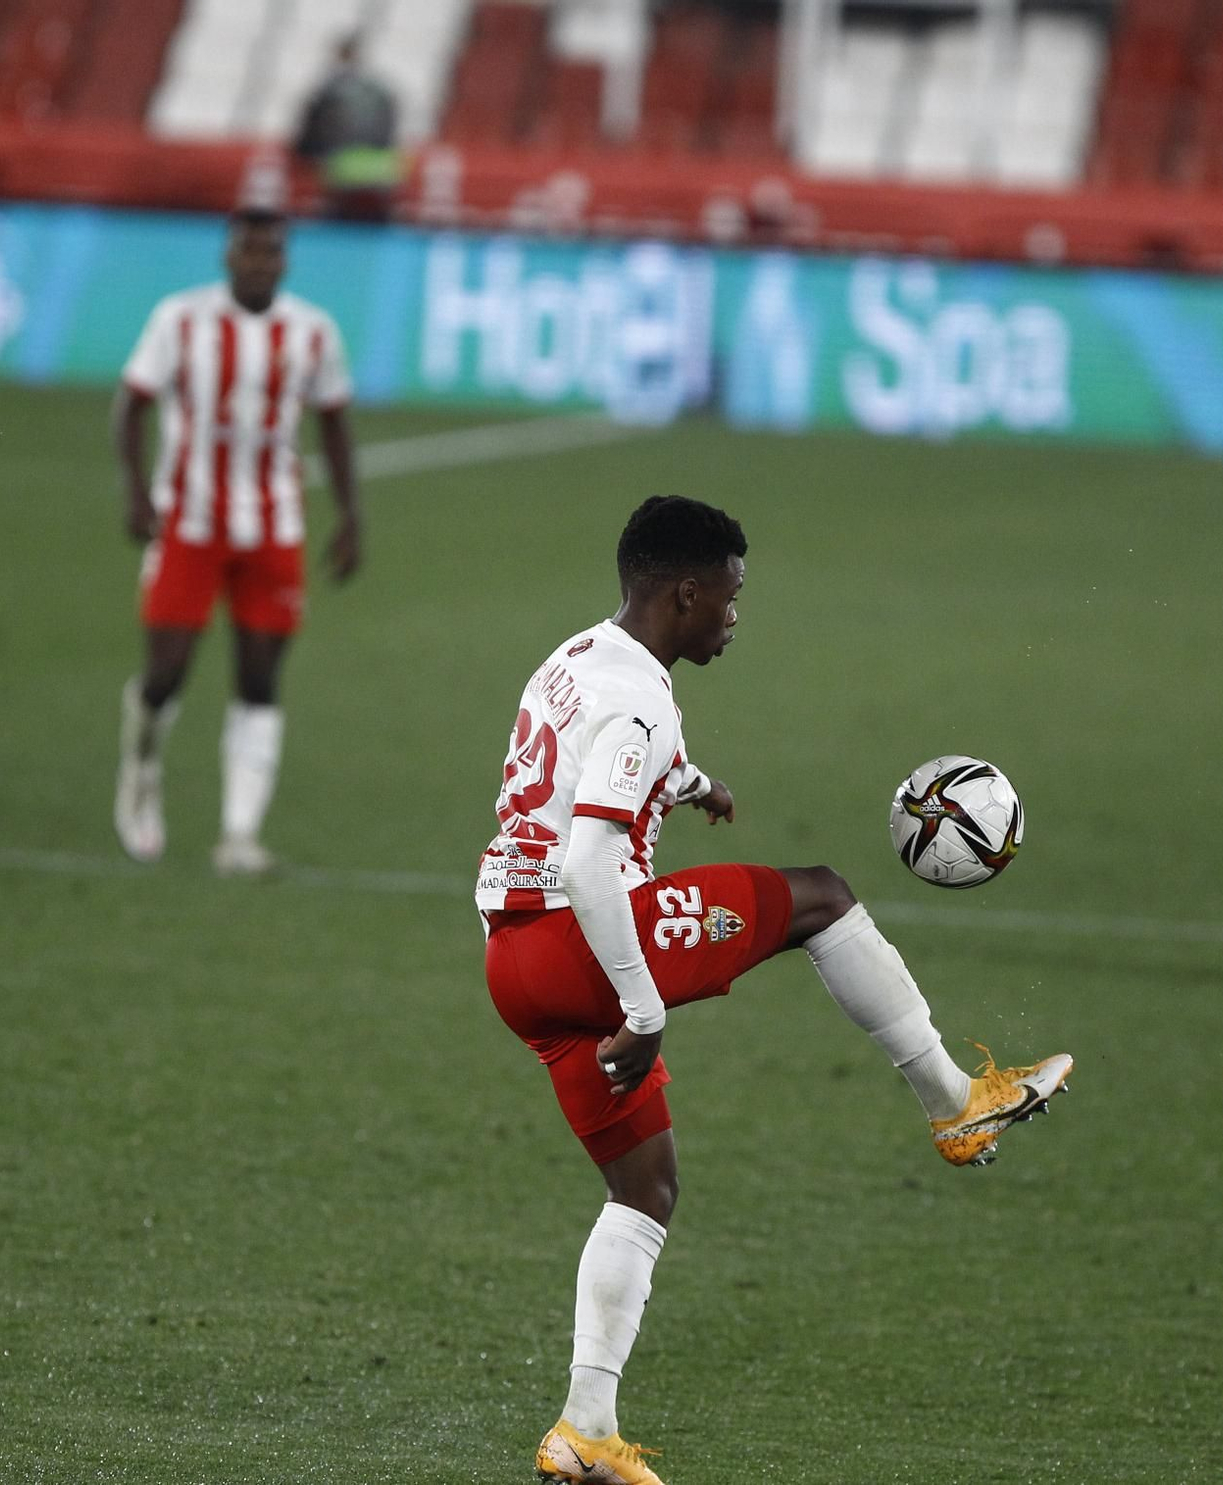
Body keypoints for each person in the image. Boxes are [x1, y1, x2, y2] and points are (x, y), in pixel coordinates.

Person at [478, 495, 1073, 1484]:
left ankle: (582, 1428)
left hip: (513, 964)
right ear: (684, 592)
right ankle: (955, 1105)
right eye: (730, 596)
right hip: (580, 937)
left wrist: (686, 781)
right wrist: (642, 1008)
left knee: (644, 1187)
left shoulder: (580, 657)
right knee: (821, 901)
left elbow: (582, 772)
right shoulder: (640, 698)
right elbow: (588, 861)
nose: (736, 615)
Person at [112, 207, 362, 874]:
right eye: (248, 252)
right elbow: (130, 404)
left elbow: (334, 424)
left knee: (259, 678)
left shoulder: (312, 331)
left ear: (284, 260)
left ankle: (239, 835)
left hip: (273, 525)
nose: (259, 263)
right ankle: (140, 771)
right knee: (165, 674)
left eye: (270, 253)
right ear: (228, 257)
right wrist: (136, 490)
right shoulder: (180, 320)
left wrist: (349, 515)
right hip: (188, 521)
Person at [292, 32, 401, 221]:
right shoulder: (379, 88)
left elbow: (311, 128)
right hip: (382, 164)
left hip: (341, 164)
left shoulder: (329, 89)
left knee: (336, 214)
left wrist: (301, 154)